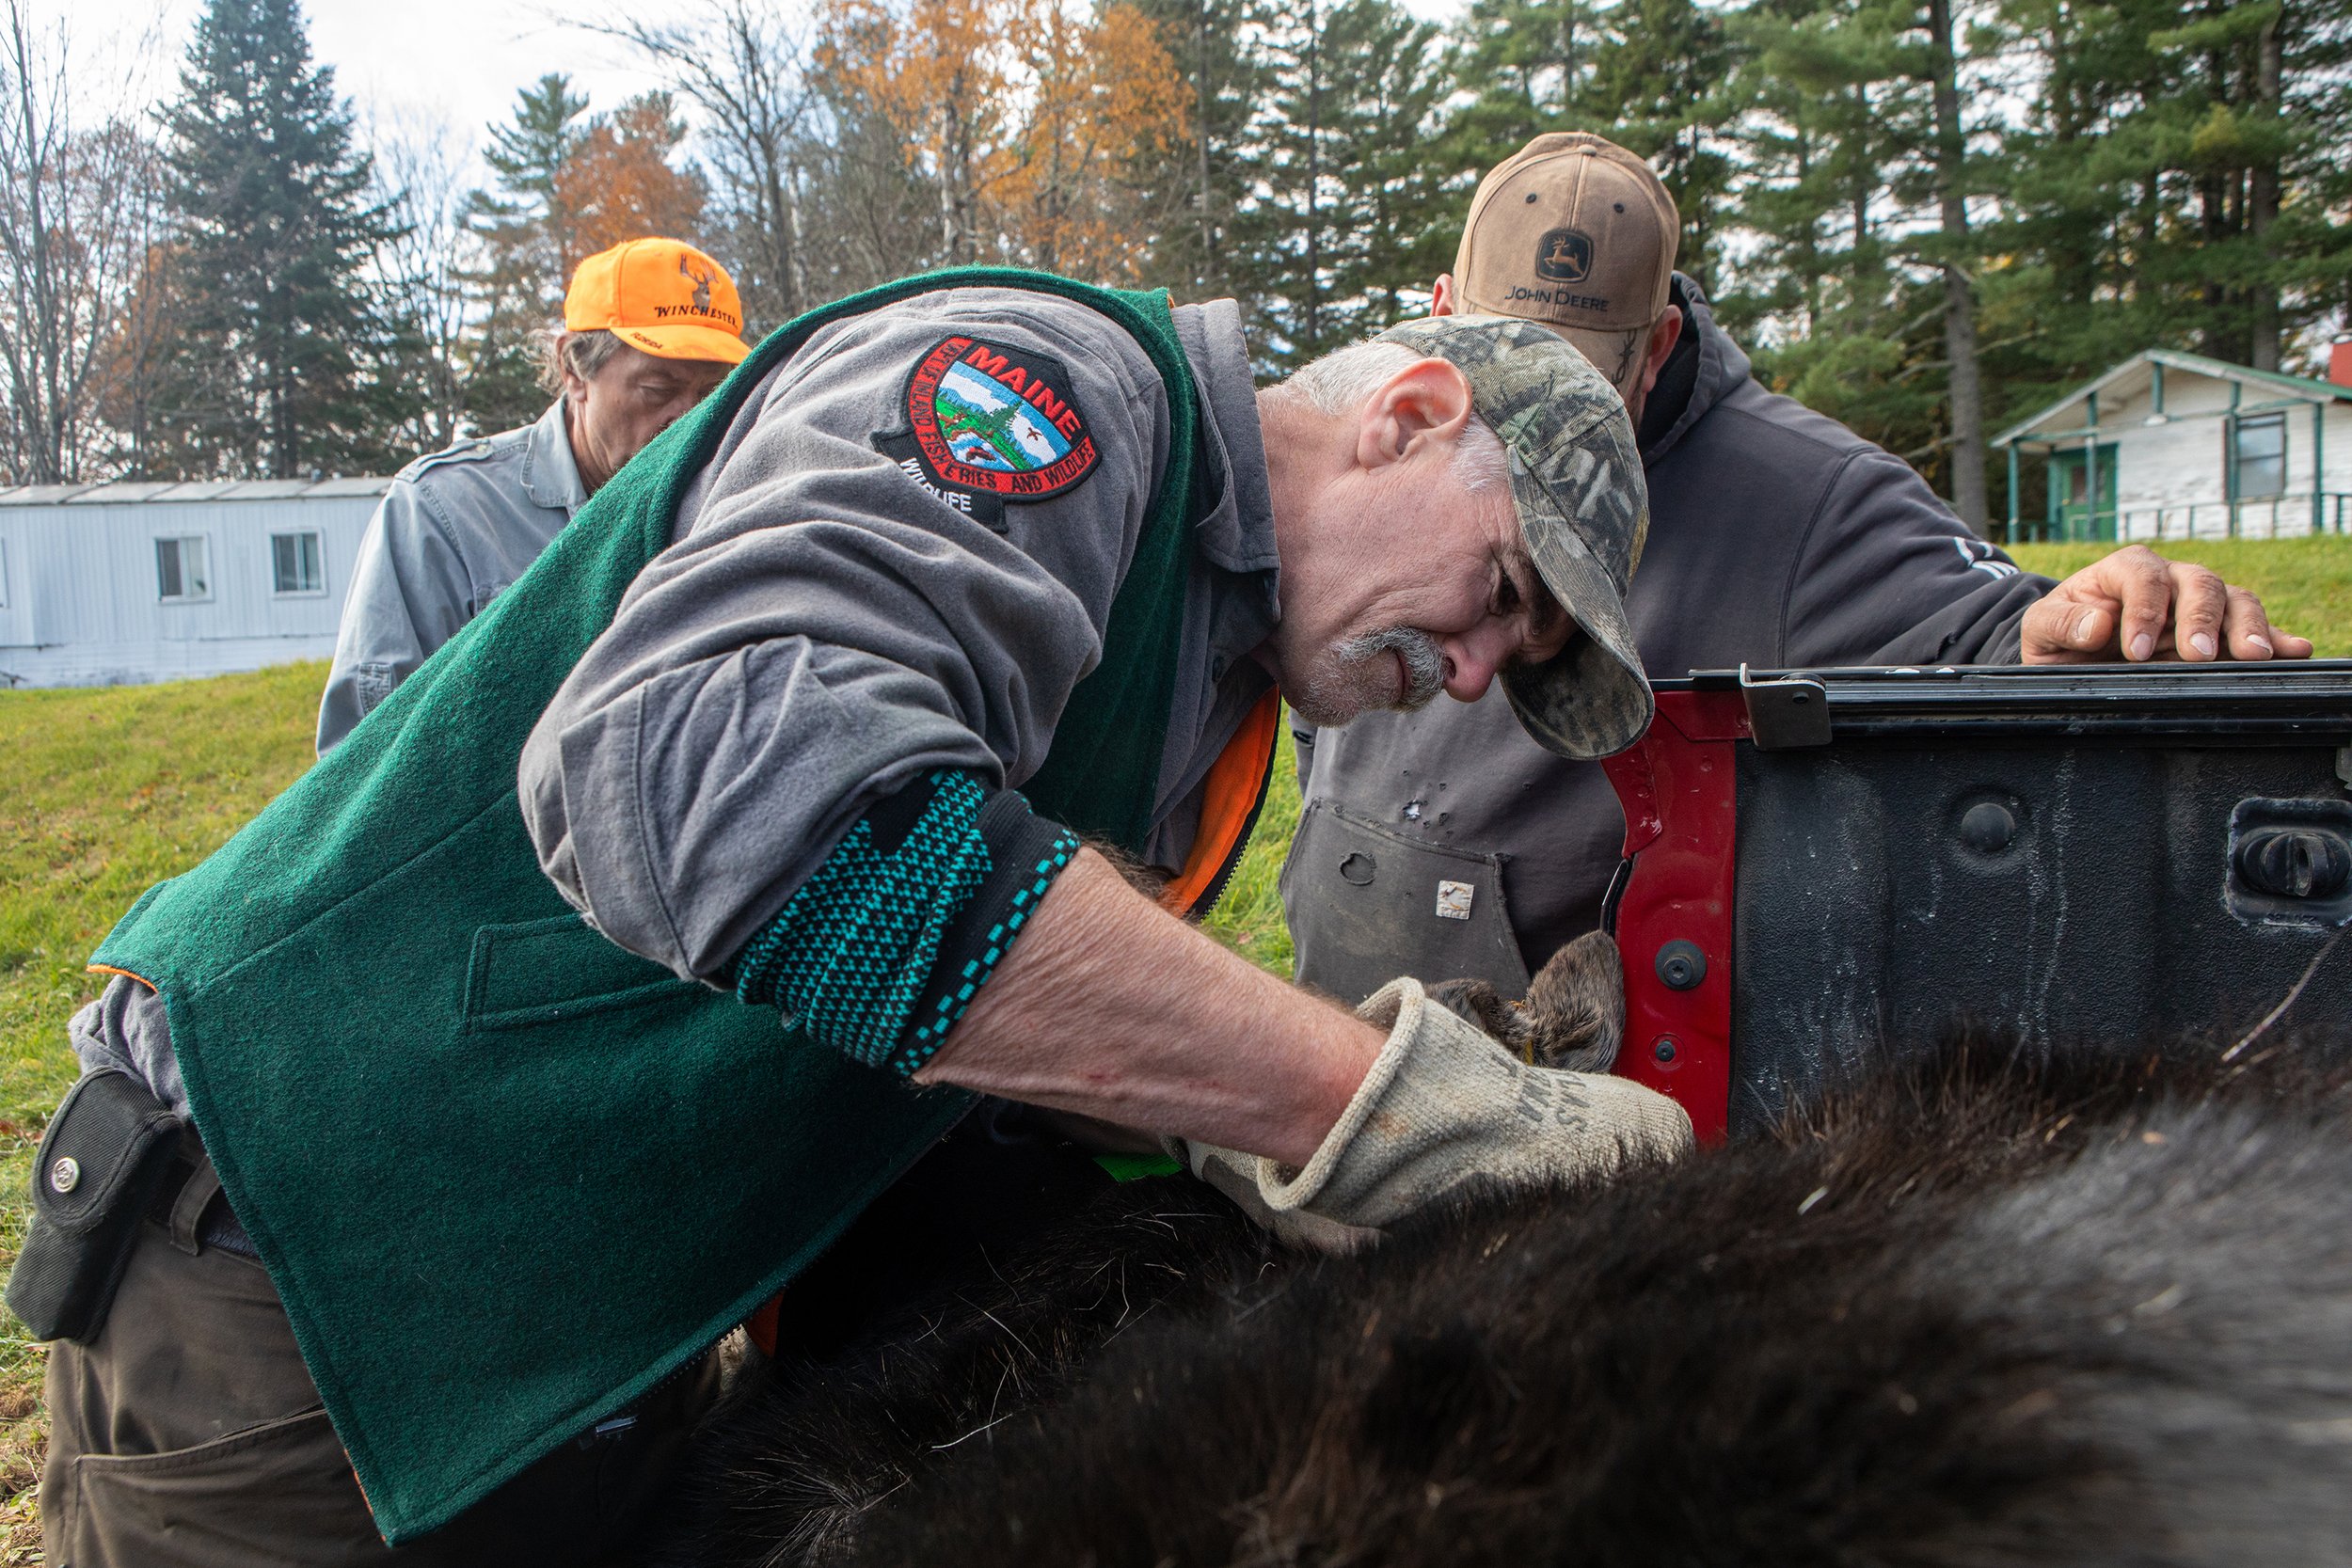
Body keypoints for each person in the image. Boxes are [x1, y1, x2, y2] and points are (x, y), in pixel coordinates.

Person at [31, 277, 1692, 1564]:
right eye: (1501, 597)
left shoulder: (1215, 684)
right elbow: (699, 777)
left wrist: (1217, 1135)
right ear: (1410, 411)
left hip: (586, 1296)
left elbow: (982, 984)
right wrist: (1361, 1103)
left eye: (1512, 670)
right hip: (309, 1245)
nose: (1475, 675)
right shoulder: (1051, 393)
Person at [1283, 132, 2313, 1005]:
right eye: (1503, 369)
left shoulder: (1807, 498)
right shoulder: (1366, 442)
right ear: (1439, 310)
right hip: (1328, 1012)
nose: (1535, 426)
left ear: (1657, 347)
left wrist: (2077, 622)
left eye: (1583, 387)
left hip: (1536, 1095)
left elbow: (1991, 645)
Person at [315, 236, 749, 753]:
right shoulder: (445, 511)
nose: (692, 418)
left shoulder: (736, 502)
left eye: (713, 394)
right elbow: (359, 766)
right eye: (658, 390)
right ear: (574, 369)